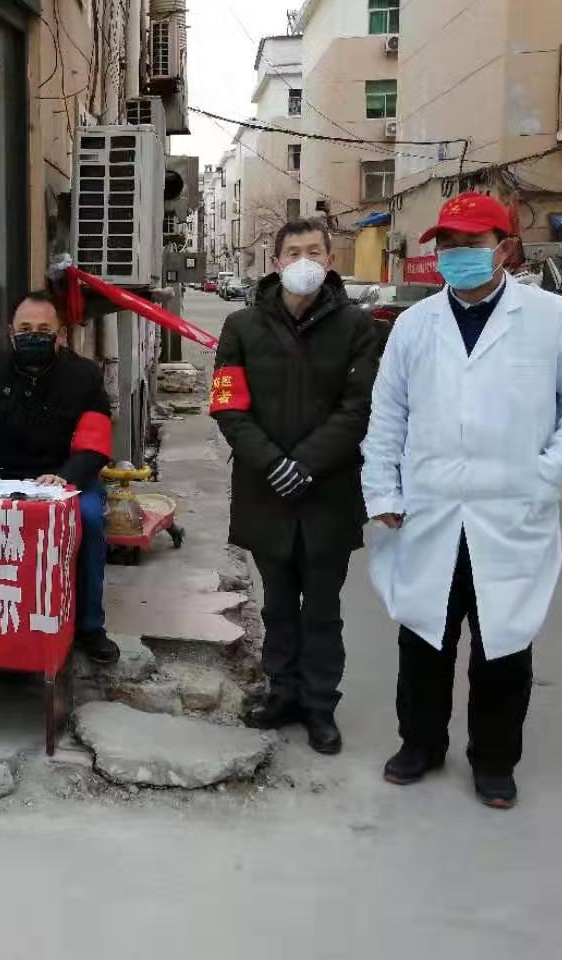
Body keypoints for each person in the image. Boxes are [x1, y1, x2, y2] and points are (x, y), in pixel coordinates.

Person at [362, 192, 562, 809]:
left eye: (471, 245)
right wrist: (383, 490)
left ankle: (495, 761)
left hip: (510, 511)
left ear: (505, 249)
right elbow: (388, 414)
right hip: (428, 510)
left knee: (503, 641)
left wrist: (551, 471)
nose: (457, 255)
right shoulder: (415, 325)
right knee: (424, 636)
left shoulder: (552, 318)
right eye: (447, 245)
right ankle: (420, 744)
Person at [209, 220, 379, 754]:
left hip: (329, 492)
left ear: (330, 260)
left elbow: (358, 408)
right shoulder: (241, 326)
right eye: (293, 252)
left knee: (322, 610)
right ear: (276, 261)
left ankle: (320, 705)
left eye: (314, 251)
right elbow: (228, 405)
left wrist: (305, 463)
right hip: (266, 491)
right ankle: (283, 693)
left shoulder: (358, 327)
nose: (303, 260)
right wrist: (272, 463)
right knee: (277, 605)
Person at [0, 291, 119, 665]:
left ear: (60, 335)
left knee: (88, 520)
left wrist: (65, 477)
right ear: (11, 334)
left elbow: (96, 444)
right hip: (2, 478)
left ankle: (89, 626)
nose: (32, 336)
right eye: (24, 329)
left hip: (67, 478)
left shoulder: (84, 376)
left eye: (42, 329)